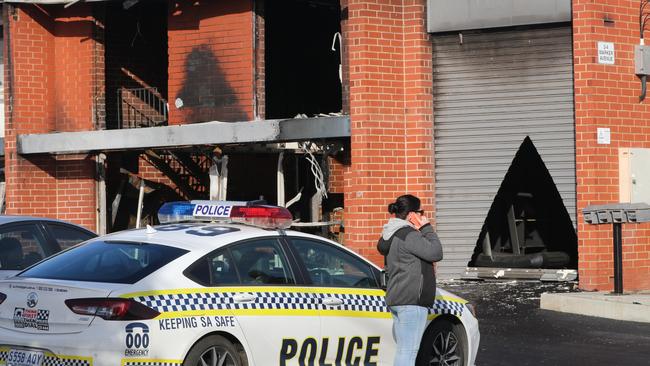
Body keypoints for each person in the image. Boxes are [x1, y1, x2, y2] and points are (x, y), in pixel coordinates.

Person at [377, 194, 443, 366]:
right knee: (408, 351)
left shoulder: (390, 233)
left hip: (397, 298)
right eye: (420, 212)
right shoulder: (409, 235)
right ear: (412, 214)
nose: (422, 216)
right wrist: (426, 227)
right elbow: (436, 252)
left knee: (403, 350)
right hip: (411, 300)